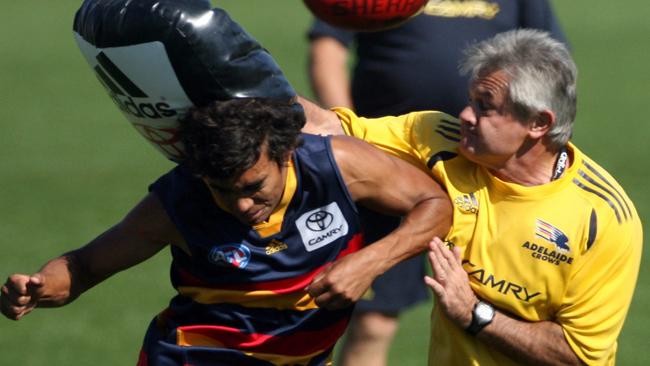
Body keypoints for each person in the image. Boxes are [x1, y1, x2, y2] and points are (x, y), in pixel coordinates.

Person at [0, 98, 451, 365]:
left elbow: (435, 204)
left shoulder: (340, 165)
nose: (241, 205)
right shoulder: (179, 202)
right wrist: (40, 287)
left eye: (254, 188)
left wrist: (369, 262)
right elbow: (83, 266)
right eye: (223, 191)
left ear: (285, 154)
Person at [302, 29, 642, 365]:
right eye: (471, 101)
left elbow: (579, 357)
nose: (465, 115)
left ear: (538, 123)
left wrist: (474, 313)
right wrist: (254, 78)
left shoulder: (603, 218)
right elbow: (328, 128)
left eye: (485, 107)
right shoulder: (440, 139)